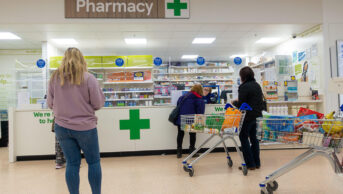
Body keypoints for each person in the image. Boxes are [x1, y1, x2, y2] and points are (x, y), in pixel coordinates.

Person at [47, 47, 105, 194]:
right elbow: (98, 103)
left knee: (72, 163)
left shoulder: (54, 78)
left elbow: (49, 104)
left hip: (62, 127)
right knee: (93, 162)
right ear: (82, 59)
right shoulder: (88, 78)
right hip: (85, 127)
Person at [232, 66, 263, 170]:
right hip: (258, 116)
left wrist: (234, 102)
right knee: (255, 140)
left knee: (244, 138)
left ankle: (250, 164)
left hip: (247, 117)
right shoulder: (257, 85)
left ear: (242, 76)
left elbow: (241, 105)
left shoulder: (243, 87)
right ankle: (257, 163)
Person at [175, 84, 205, 158]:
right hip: (192, 119)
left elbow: (178, 105)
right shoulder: (199, 99)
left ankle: (179, 152)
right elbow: (200, 112)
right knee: (192, 135)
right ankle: (191, 151)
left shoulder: (183, 97)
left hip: (181, 118)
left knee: (180, 134)